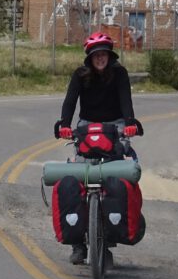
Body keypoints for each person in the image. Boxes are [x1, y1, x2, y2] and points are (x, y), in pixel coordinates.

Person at [55, 32, 143, 266]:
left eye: (104, 54)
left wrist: (131, 123)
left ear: (110, 56)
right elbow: (70, 101)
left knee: (115, 179)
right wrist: (64, 125)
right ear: (90, 58)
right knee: (80, 178)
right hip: (87, 128)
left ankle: (108, 241)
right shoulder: (79, 75)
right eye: (96, 54)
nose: (100, 58)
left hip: (115, 127)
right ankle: (78, 244)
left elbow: (126, 99)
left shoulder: (120, 74)